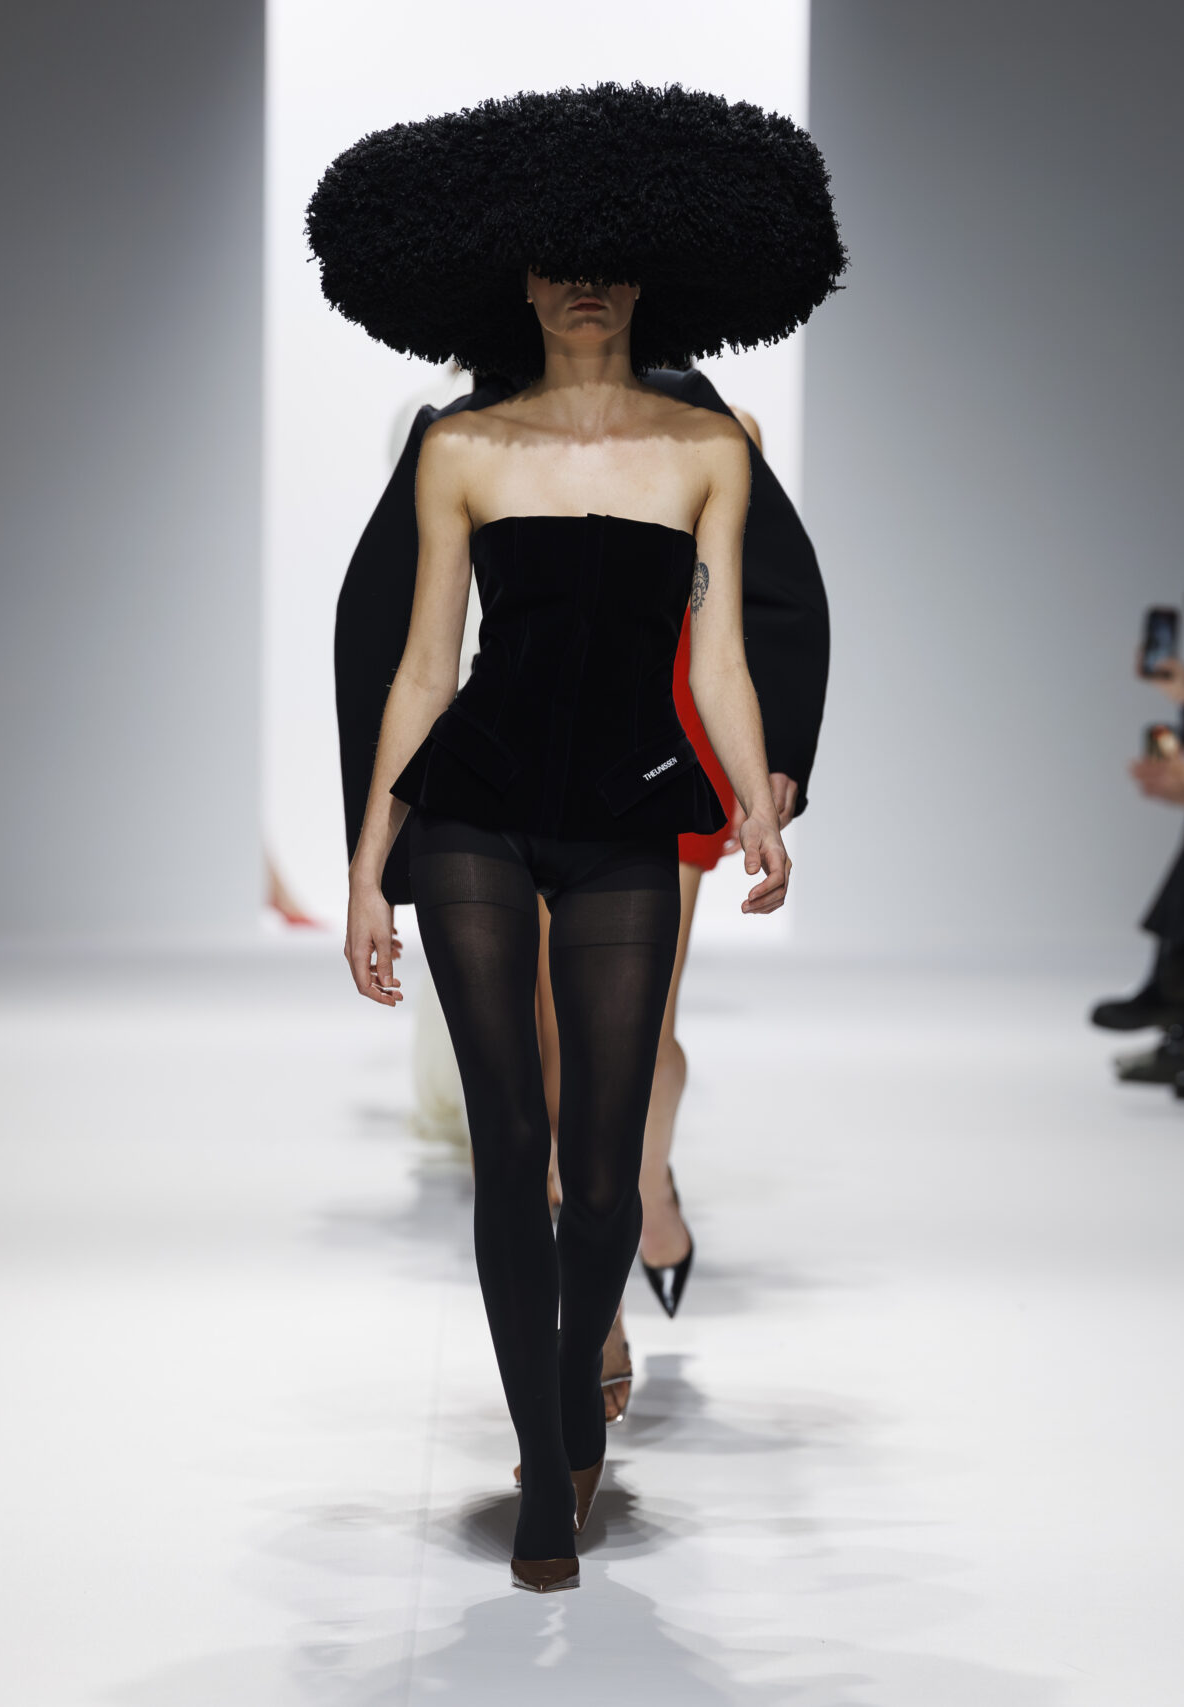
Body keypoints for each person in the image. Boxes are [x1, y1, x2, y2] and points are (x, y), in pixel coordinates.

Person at [311, 84, 842, 1593]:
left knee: (601, 1169)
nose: (586, 287)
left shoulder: (708, 448)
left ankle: (573, 1378)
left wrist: (759, 795)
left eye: (609, 264)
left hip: (628, 806)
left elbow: (723, 649)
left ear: (645, 281)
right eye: (560, 265)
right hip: (475, 805)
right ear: (523, 287)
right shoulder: (461, 447)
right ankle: (549, 1463)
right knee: (512, 1146)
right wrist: (367, 862)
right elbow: (424, 666)